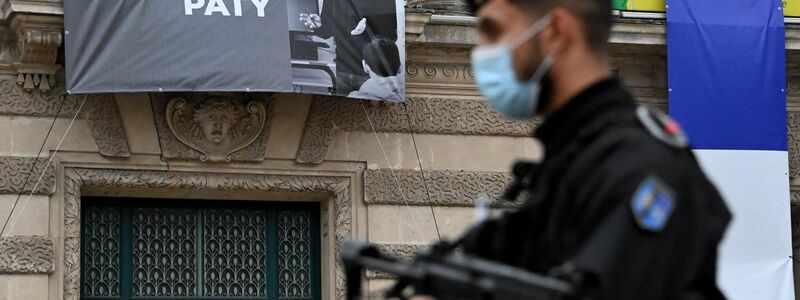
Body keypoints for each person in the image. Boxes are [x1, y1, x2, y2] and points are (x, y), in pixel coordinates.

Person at [415, 0, 732, 299]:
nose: (480, 51)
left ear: (554, 32)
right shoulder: (570, 164)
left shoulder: (639, 168)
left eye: (493, 31)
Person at [300, 0, 397, 94]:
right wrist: (319, 26)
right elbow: (327, 31)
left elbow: (391, 34)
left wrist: (368, 27)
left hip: (373, 71)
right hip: (343, 70)